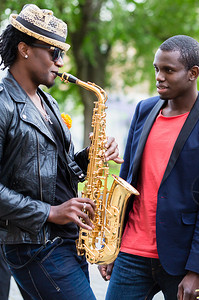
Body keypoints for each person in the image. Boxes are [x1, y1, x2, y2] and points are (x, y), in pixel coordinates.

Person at [0, 4, 123, 299]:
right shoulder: (3, 103)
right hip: (35, 245)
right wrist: (51, 212)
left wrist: (92, 154)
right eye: (54, 52)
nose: (61, 62)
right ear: (24, 48)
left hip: (66, 239)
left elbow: (62, 168)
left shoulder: (48, 103)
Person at [98, 35, 199, 300]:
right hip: (130, 252)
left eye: (168, 70)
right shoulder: (144, 109)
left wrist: (198, 270)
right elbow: (126, 180)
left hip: (181, 259)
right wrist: (112, 247)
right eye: (157, 69)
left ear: (193, 73)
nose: (159, 76)